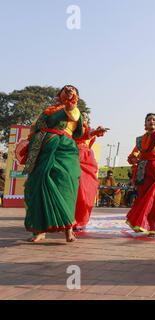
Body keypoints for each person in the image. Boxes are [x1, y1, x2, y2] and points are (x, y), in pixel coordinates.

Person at [23, 85, 84, 242]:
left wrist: (71, 101)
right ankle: (39, 231)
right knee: (38, 185)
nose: (69, 91)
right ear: (59, 93)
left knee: (66, 188)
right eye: (66, 89)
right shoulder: (48, 110)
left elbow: (74, 117)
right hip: (42, 148)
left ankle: (68, 231)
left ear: (76, 96)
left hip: (65, 150)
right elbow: (35, 127)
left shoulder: (74, 110)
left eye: (73, 90)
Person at [73, 113, 108, 231]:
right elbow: (84, 135)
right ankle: (71, 220)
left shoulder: (90, 130)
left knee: (88, 192)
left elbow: (90, 136)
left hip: (88, 160)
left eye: (87, 117)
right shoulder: (73, 130)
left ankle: (81, 220)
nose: (84, 118)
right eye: (82, 116)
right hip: (74, 158)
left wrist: (96, 131)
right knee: (77, 191)